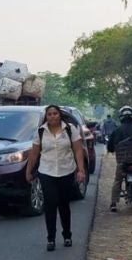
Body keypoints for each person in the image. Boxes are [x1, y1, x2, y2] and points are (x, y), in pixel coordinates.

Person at [26, 105, 87, 252]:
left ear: (59, 115)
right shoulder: (40, 132)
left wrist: (81, 170)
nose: (52, 116)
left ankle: (67, 235)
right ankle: (51, 239)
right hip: (46, 172)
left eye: (55, 113)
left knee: (64, 205)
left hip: (66, 171)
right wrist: (28, 171)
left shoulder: (70, 129)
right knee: (50, 205)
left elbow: (78, 150)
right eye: (49, 114)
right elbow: (34, 153)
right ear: (46, 117)